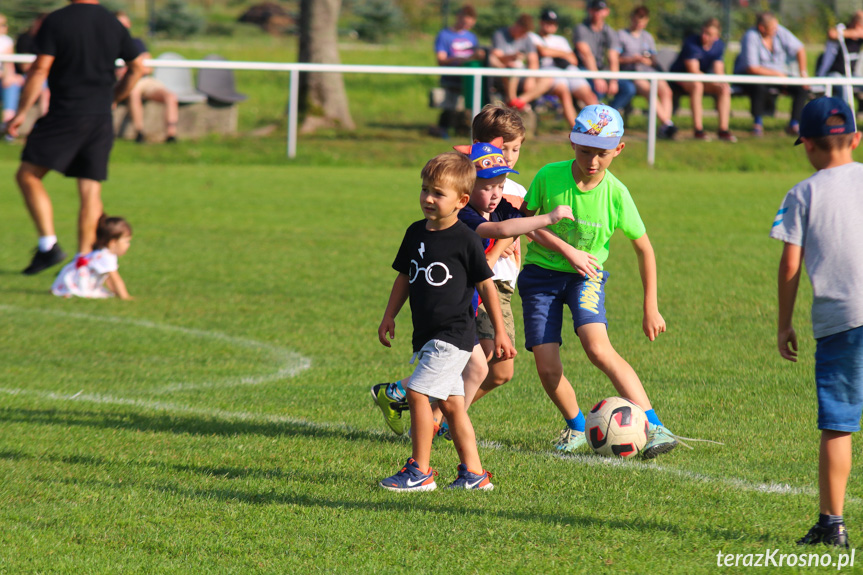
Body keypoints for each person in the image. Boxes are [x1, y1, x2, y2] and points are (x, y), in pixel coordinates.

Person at [517, 104, 679, 458]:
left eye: (602, 154)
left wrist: (650, 306)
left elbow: (645, 250)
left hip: (586, 278)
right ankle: (576, 426)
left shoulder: (617, 194)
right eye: (585, 151)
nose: (592, 161)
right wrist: (566, 250)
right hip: (540, 278)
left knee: (598, 348)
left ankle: (655, 426)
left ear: (618, 150)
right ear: (572, 144)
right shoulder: (548, 176)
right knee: (546, 364)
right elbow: (524, 224)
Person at [377, 152, 516, 491]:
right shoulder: (415, 233)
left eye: (438, 193)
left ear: (461, 201)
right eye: (425, 189)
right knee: (454, 405)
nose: (428, 198)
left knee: (419, 394)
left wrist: (499, 331)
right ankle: (474, 475)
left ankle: (419, 472)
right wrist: (389, 315)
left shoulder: (466, 239)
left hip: (453, 335)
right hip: (427, 334)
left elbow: (487, 285)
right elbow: (405, 278)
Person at [771, 97, 863, 548]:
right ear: (857, 139)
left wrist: (784, 323)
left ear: (806, 145)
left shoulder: (802, 194)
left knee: (839, 423)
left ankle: (832, 524)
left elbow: (790, 265)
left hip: (842, 320)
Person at [6, 0, 145, 276]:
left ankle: (48, 245)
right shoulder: (112, 22)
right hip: (100, 117)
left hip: (66, 112)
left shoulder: (57, 20)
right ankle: (84, 263)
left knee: (28, 175)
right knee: (90, 191)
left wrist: (20, 112)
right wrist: (114, 98)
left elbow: (41, 68)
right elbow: (138, 67)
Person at [453, 136, 585, 407]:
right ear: (466, 187)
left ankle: (438, 415)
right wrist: (549, 216)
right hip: (454, 297)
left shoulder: (498, 207)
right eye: (487, 187)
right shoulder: (464, 213)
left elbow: (525, 225)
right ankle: (429, 409)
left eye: (500, 186)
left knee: (486, 367)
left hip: (479, 294)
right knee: (470, 362)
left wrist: (567, 250)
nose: (495, 195)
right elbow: (502, 230)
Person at [733, 12, 809, 137]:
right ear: (762, 28)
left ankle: (794, 124)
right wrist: (778, 75)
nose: (776, 30)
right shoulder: (750, 36)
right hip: (751, 76)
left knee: (801, 88)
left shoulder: (780, 32)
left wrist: (803, 74)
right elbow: (752, 68)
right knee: (759, 86)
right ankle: (757, 123)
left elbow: (800, 48)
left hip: (779, 76)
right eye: (773, 28)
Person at [116, 11, 179, 143]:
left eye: (126, 23)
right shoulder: (111, 43)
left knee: (171, 97)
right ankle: (139, 133)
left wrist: (134, 68)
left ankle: (171, 135)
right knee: (134, 92)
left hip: (144, 79)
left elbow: (147, 67)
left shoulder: (137, 42)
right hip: (129, 80)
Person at [670, 18, 736, 142]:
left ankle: (723, 130)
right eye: (704, 32)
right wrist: (713, 80)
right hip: (680, 77)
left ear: (716, 37)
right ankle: (698, 130)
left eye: (709, 34)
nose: (705, 36)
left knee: (724, 89)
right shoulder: (691, 43)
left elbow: (719, 70)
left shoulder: (719, 46)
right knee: (697, 86)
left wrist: (720, 82)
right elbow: (693, 71)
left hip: (701, 79)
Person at [528, 9, 597, 127]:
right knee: (564, 92)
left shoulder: (561, 39)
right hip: (548, 71)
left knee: (588, 95)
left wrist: (556, 53)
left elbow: (573, 60)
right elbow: (544, 52)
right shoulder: (532, 36)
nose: (550, 25)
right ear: (541, 22)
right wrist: (563, 53)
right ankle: (576, 130)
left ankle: (597, 129)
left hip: (568, 70)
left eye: (553, 23)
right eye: (547, 22)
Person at [617, 6, 677, 139]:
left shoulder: (647, 37)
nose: (639, 24)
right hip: (631, 73)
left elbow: (653, 60)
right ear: (632, 19)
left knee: (667, 91)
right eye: (637, 20)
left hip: (649, 72)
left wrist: (647, 60)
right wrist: (633, 59)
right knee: (649, 90)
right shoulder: (621, 35)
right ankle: (667, 124)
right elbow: (615, 58)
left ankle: (664, 126)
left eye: (642, 21)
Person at [573, 0, 635, 112]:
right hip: (584, 69)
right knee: (597, 91)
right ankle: (595, 119)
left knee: (628, 88)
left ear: (606, 12)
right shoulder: (581, 29)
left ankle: (608, 115)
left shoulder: (609, 31)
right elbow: (586, 55)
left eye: (600, 10)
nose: (598, 13)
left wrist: (613, 80)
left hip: (601, 70)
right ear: (590, 11)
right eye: (595, 10)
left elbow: (613, 57)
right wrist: (597, 78)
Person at [51, 215, 133, 300]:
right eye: (126, 241)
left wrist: (115, 292)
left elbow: (108, 278)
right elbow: (115, 279)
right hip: (77, 281)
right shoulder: (106, 257)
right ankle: (69, 290)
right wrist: (125, 296)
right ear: (113, 242)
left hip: (71, 276)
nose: (128, 245)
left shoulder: (104, 253)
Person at [433, 4, 485, 137]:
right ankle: (442, 128)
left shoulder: (472, 36)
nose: (466, 26)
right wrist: (460, 59)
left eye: (469, 24)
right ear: (458, 17)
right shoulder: (444, 35)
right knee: (451, 103)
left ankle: (476, 127)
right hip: (452, 75)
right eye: (464, 23)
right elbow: (441, 60)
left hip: (471, 76)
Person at [489, 14, 550, 110]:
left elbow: (533, 60)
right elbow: (497, 57)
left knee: (547, 80)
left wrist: (531, 78)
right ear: (516, 25)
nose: (522, 35)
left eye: (524, 32)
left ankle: (518, 102)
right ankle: (511, 99)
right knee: (514, 67)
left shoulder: (527, 37)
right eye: (522, 31)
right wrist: (513, 56)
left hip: (521, 74)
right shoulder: (500, 34)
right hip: (503, 74)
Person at [815, 11, 863, 102]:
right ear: (857, 24)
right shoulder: (842, 28)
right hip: (834, 73)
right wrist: (854, 33)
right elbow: (831, 33)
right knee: (844, 88)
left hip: (851, 74)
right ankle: (843, 113)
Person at [14, 13, 50, 118]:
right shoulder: (26, 38)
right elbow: (26, 67)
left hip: (43, 75)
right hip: (30, 76)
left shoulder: (48, 40)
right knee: (43, 88)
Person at [0, 13, 24, 128]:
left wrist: (12, 76)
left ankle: (8, 123)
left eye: (4, 25)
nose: (4, 27)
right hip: (2, 77)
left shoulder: (7, 41)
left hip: (4, 79)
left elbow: (9, 64)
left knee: (12, 83)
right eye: (1, 25)